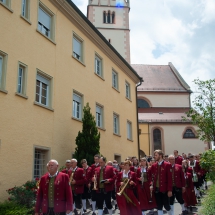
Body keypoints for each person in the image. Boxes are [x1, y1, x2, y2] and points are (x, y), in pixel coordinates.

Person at [150, 150, 172, 215]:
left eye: (156, 155)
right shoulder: (153, 166)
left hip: (165, 189)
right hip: (156, 189)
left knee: (166, 205)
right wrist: (151, 185)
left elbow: (170, 179)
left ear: (160, 155)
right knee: (159, 206)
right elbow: (152, 177)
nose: (155, 157)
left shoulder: (167, 165)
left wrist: (170, 190)